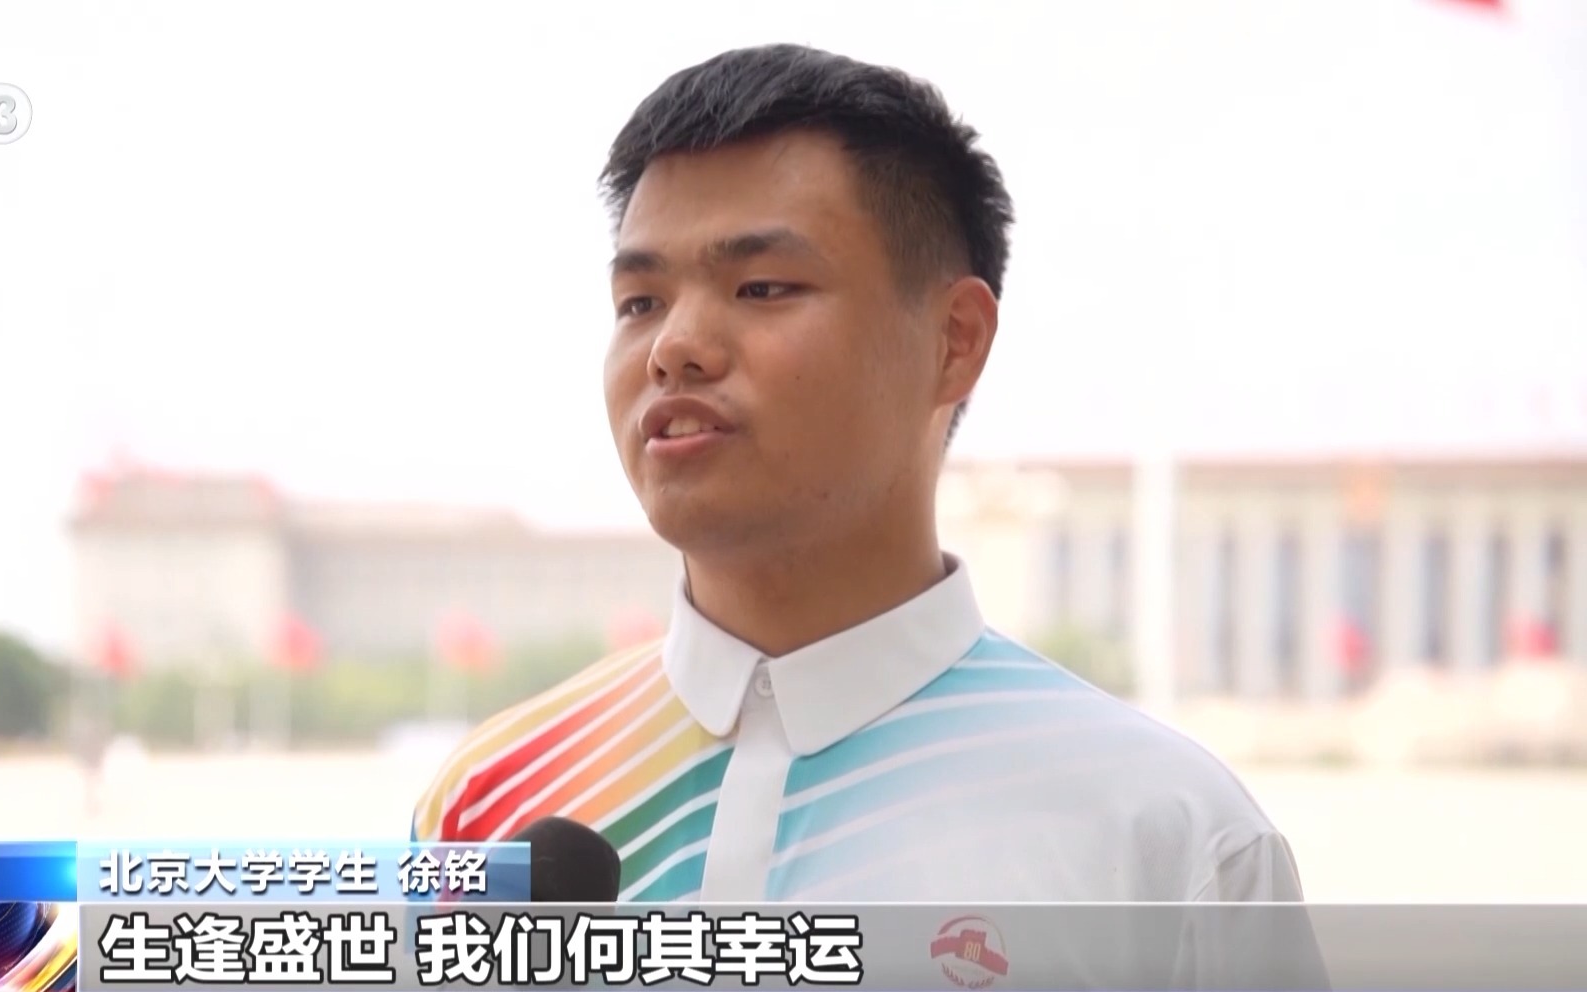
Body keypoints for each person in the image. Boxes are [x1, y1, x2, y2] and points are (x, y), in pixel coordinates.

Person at [409, 44, 1309, 920]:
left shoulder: (1167, 844)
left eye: (762, 287)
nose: (674, 346)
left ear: (954, 341)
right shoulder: (487, 807)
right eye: (640, 302)